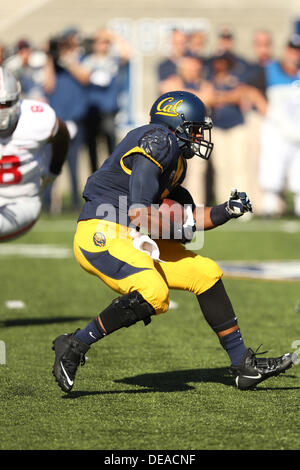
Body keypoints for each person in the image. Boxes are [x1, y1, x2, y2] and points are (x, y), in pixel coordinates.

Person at [51, 90, 296, 393]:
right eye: (194, 129)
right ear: (175, 123)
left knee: (205, 273)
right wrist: (164, 220)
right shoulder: (159, 139)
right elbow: (142, 211)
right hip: (102, 232)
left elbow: (189, 220)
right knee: (154, 293)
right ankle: (75, 344)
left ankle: (243, 365)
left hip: (130, 233)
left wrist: (226, 211)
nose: (198, 136)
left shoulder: (175, 162)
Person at [0, 67, 70, 241]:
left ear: (17, 101)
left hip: (22, 201)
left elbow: (62, 134)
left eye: (4, 104)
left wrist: (54, 170)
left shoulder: (36, 119)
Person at [43, 28, 89, 211]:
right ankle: (46, 203)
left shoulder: (80, 59)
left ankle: (75, 202)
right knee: (51, 164)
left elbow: (84, 77)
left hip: (75, 119)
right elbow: (48, 86)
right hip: (57, 121)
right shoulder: (54, 64)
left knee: (73, 163)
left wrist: (68, 59)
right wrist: (49, 58)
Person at [259, 35, 300, 216]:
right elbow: (251, 89)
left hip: (297, 131)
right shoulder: (270, 69)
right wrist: (266, 108)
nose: (295, 54)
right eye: (292, 50)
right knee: (272, 169)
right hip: (277, 130)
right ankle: (270, 209)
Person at [81, 28, 131, 173]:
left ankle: (112, 184)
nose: (102, 45)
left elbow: (127, 53)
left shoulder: (113, 60)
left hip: (108, 110)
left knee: (111, 151)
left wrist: (113, 36)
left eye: (105, 42)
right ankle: (94, 185)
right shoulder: (88, 60)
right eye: (99, 42)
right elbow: (82, 77)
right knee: (92, 152)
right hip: (92, 111)